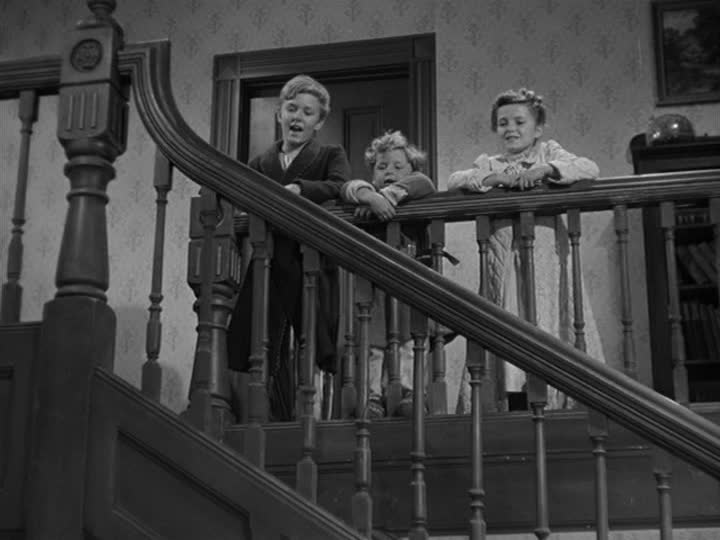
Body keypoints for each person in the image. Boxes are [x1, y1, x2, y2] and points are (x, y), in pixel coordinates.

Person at [447, 88, 602, 411]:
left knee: (549, 320)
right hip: (505, 262)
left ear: (538, 128)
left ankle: (563, 402)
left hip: (548, 261)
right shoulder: (490, 162)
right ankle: (517, 404)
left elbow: (589, 168)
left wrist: (545, 171)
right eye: (503, 123)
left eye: (519, 121)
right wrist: (495, 178)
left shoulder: (549, 153)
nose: (510, 128)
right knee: (510, 324)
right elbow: (456, 180)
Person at [226, 75, 351, 421]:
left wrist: (300, 188)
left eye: (307, 112)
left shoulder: (329, 153)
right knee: (258, 340)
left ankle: (309, 418)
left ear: (319, 121)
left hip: (308, 258)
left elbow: (339, 186)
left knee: (312, 338)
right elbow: (242, 199)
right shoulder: (260, 162)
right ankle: (265, 415)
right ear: (279, 113)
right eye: (291, 109)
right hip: (267, 260)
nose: (297, 117)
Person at [342, 130, 438, 417]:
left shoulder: (415, 191)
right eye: (382, 167)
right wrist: (369, 198)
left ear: (410, 170)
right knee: (373, 346)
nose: (389, 172)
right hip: (374, 285)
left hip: (410, 285)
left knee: (410, 342)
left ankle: (410, 393)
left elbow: (425, 183)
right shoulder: (366, 198)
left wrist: (388, 196)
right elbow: (347, 186)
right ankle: (372, 397)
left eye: (398, 167)